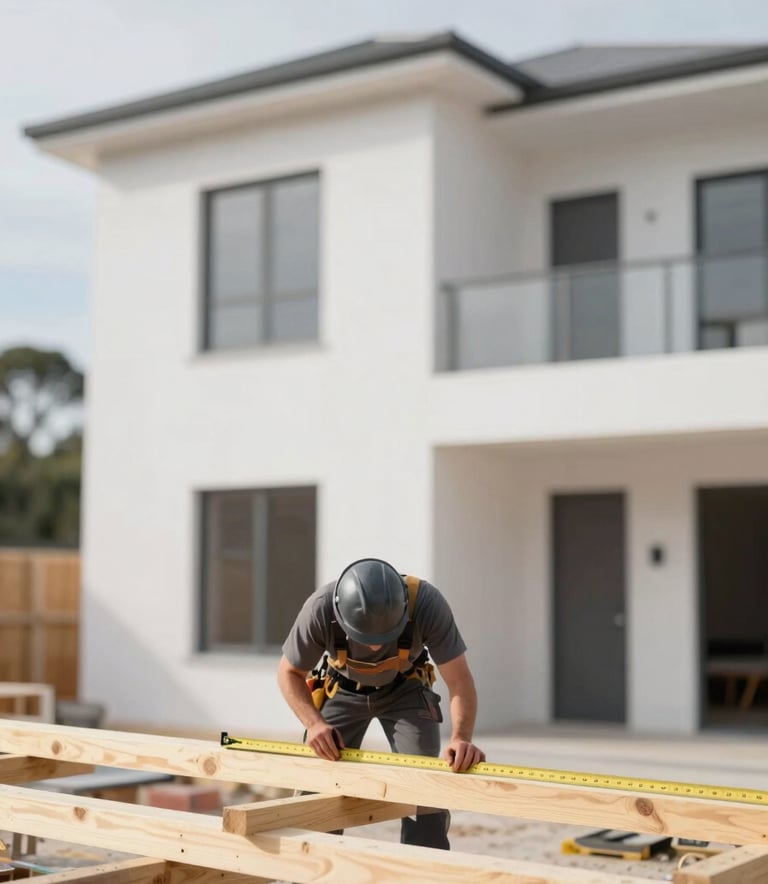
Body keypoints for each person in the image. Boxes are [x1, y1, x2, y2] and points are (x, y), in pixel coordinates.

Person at [277, 556, 485, 850]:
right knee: (319, 784)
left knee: (423, 784)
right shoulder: (320, 608)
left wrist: (461, 738)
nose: (375, 646)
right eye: (364, 638)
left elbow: (460, 682)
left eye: (384, 637)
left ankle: (425, 867)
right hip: (342, 690)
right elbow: (288, 673)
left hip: (405, 690)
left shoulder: (426, 603)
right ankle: (312, 867)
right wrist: (314, 724)